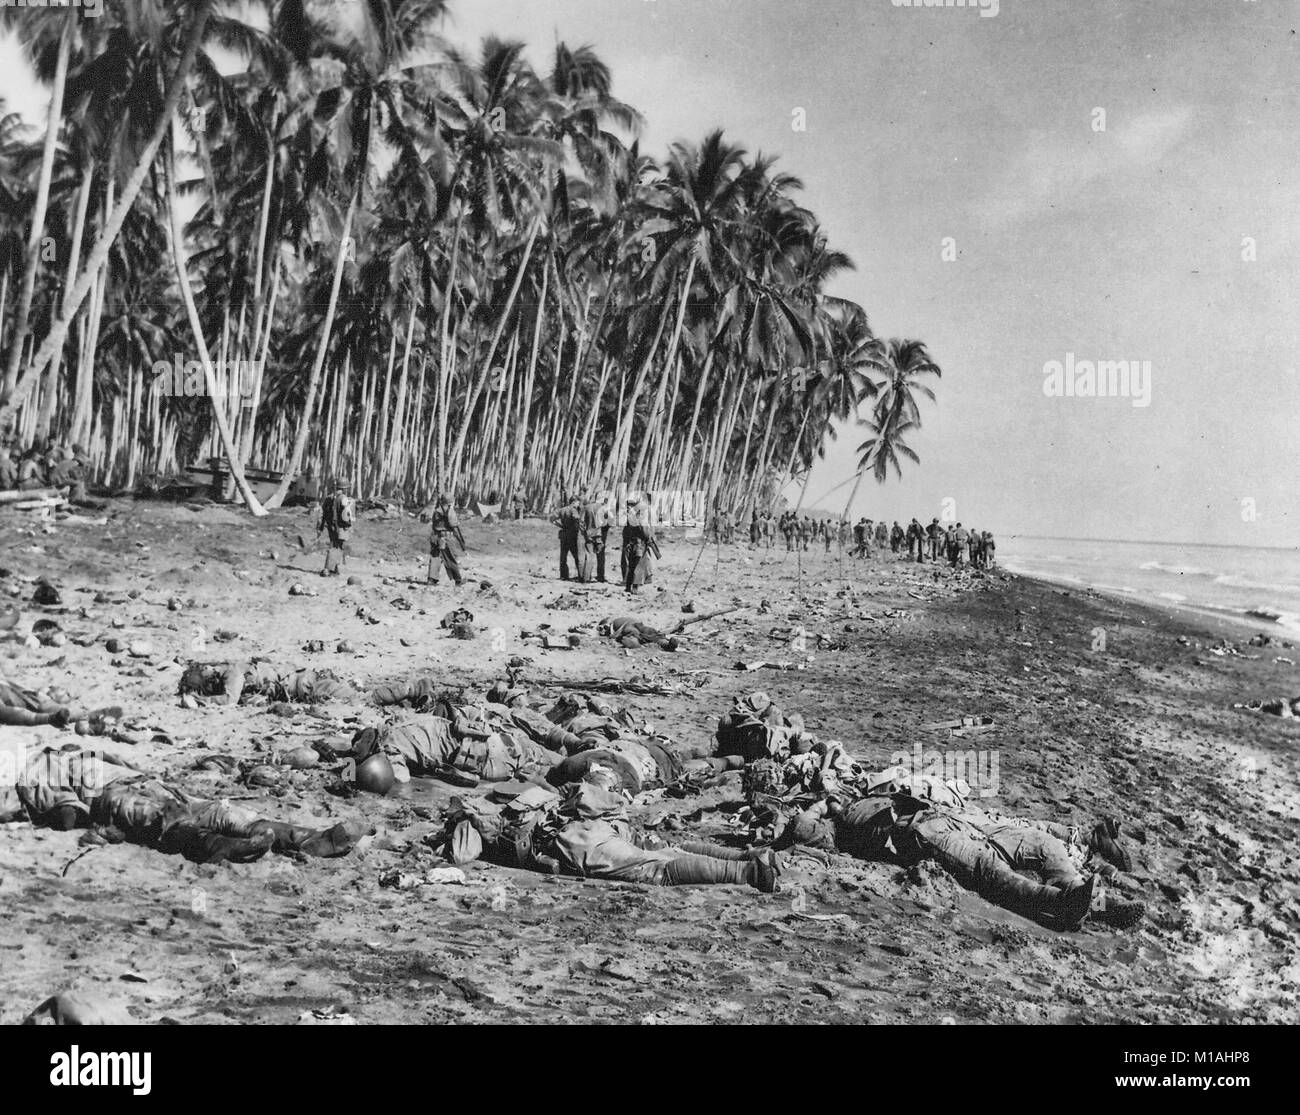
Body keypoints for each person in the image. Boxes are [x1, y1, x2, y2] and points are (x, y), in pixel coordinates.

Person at [0, 743, 369, 864]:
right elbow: (67, 816)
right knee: (169, 821)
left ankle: (310, 839)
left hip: (149, 786)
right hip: (112, 799)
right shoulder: (37, 771)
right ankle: (230, 848)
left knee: (221, 810)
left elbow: (131, 763)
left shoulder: (75, 755)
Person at [778, 794, 1100, 931]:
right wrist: (822, 805)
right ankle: (1058, 904)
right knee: (987, 868)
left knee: (1041, 842)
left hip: (954, 817)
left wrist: (835, 799)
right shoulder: (839, 829)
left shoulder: (855, 800)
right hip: (919, 831)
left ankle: (1077, 890)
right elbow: (800, 828)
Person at [441, 781, 781, 892]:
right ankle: (746, 856)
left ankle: (748, 873)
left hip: (575, 842)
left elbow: (460, 856)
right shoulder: (522, 791)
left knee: (656, 871)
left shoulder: (472, 819)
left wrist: (453, 828)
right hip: (596, 823)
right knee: (665, 848)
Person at [179, 660, 353, 706]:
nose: (210, 668)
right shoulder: (226, 673)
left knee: (353, 697)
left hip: (299, 684)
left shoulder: (232, 672)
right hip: (296, 683)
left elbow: (229, 700)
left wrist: (200, 701)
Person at [622, 493, 660, 593]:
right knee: (639, 566)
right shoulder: (639, 518)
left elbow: (625, 533)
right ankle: (635, 588)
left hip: (630, 545)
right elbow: (645, 532)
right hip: (639, 545)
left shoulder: (629, 518)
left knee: (631, 566)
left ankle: (627, 587)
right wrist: (649, 539)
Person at [428, 491, 466, 586]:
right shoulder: (450, 511)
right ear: (451, 501)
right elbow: (454, 526)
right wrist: (459, 540)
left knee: (435, 557)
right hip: (445, 537)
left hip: (435, 536)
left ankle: (431, 579)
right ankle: (458, 579)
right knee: (450, 557)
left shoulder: (437, 510)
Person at [317, 483, 355, 576]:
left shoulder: (329, 498)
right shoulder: (344, 499)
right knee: (336, 547)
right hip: (341, 527)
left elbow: (322, 514)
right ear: (345, 488)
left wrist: (320, 527)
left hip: (331, 527)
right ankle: (328, 569)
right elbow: (347, 515)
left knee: (336, 546)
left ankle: (334, 569)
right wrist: (349, 526)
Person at [553, 494, 583, 581]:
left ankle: (564, 575)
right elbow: (577, 520)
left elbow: (551, 519)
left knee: (563, 556)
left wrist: (560, 525)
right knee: (577, 556)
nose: (578, 505)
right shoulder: (573, 510)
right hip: (572, 535)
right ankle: (581, 575)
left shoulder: (562, 510)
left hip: (564, 534)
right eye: (578, 503)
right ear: (574, 502)